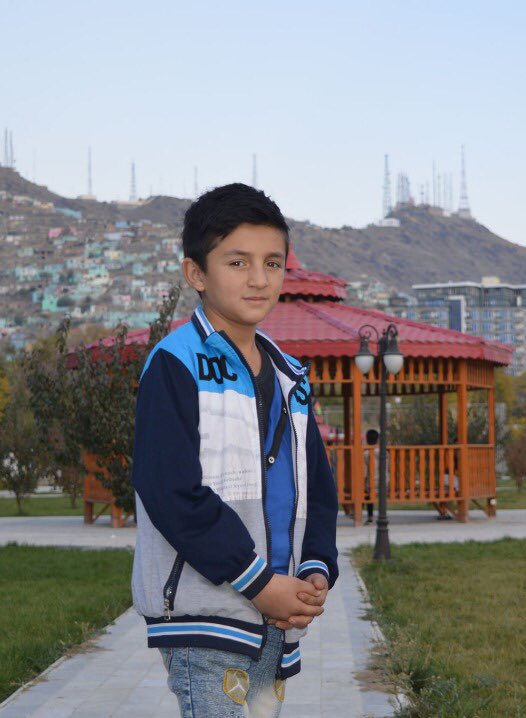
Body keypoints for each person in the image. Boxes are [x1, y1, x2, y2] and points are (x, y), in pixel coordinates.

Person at [131, 184, 339, 718]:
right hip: (207, 614)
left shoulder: (290, 377)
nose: (259, 279)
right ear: (196, 273)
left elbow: (317, 487)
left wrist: (316, 569)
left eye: (272, 263)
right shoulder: (175, 364)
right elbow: (170, 492)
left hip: (278, 616)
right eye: (238, 262)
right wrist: (258, 582)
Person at [364, 429, 378, 524]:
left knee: (367, 490)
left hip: (371, 484)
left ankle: (370, 516)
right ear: (378, 440)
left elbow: (364, 472)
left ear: (367, 439)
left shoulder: (365, 454)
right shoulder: (385, 452)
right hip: (385, 483)